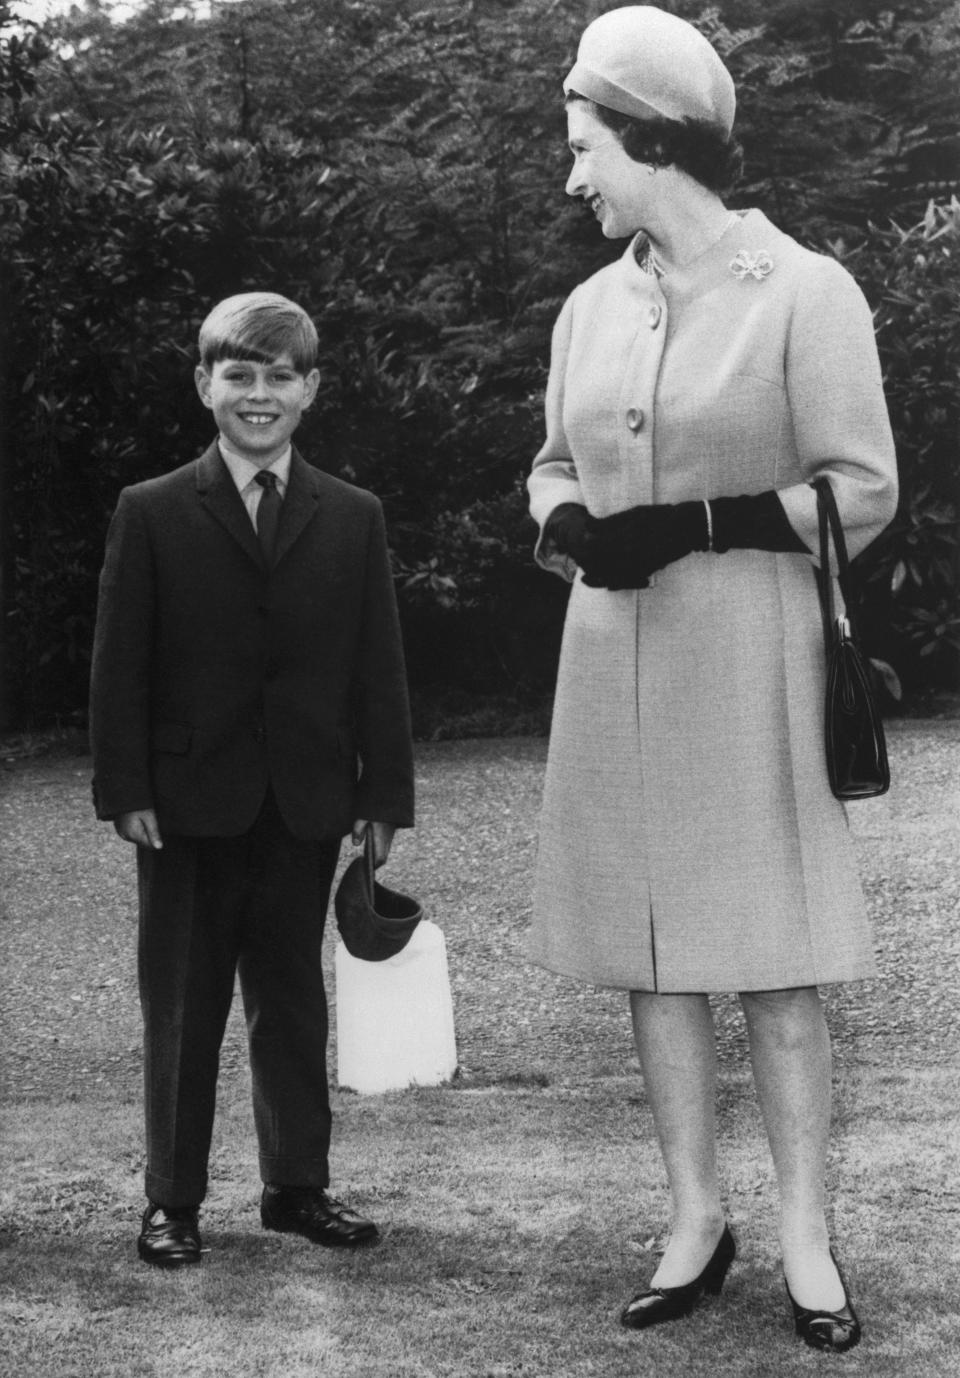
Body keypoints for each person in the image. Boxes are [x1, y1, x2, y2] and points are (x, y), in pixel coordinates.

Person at [527, 6, 897, 1353]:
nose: (574, 176)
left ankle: (805, 1235)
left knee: (775, 962)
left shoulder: (806, 292)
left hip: (750, 669)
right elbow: (555, 462)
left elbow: (861, 489)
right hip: (614, 668)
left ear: (650, 139)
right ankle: (695, 1218)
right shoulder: (589, 306)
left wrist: (701, 522)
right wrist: (564, 520)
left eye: (585, 146)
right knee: (654, 957)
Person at [89, 291, 415, 1267]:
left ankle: (297, 1187)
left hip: (307, 799)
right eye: (240, 374)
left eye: (280, 376)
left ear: (310, 391)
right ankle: (172, 1200)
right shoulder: (150, 511)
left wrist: (383, 794)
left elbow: (378, 665)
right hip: (186, 805)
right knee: (184, 1004)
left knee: (292, 999)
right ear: (204, 384)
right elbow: (120, 666)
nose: (259, 394)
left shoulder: (352, 516)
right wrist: (125, 786)